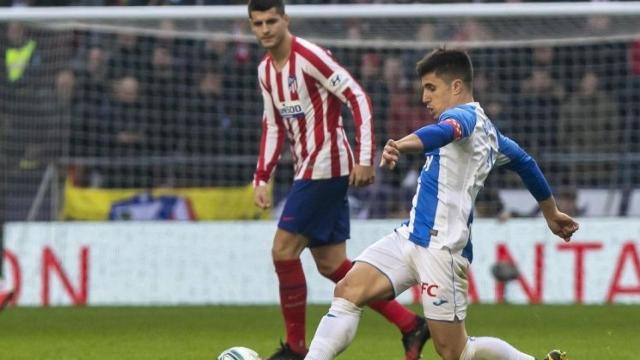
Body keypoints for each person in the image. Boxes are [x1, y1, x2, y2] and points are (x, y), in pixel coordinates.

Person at [304, 48, 579, 360]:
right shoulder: (490, 133)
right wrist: (551, 211)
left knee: (455, 351)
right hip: (411, 237)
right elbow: (525, 162)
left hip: (442, 250)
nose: (424, 97)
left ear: (457, 87)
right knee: (348, 290)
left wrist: (400, 144)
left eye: (431, 87)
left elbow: (442, 132)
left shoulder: (463, 118)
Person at [248, 1, 431, 359]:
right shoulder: (266, 71)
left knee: (282, 251)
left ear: (285, 20)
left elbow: (357, 97)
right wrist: (261, 176)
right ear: (252, 27)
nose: (266, 29)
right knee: (332, 265)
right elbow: (272, 125)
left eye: (272, 21)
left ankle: (296, 350)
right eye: (258, 23)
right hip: (307, 168)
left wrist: (365, 157)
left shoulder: (311, 57)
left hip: (328, 166)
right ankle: (411, 324)